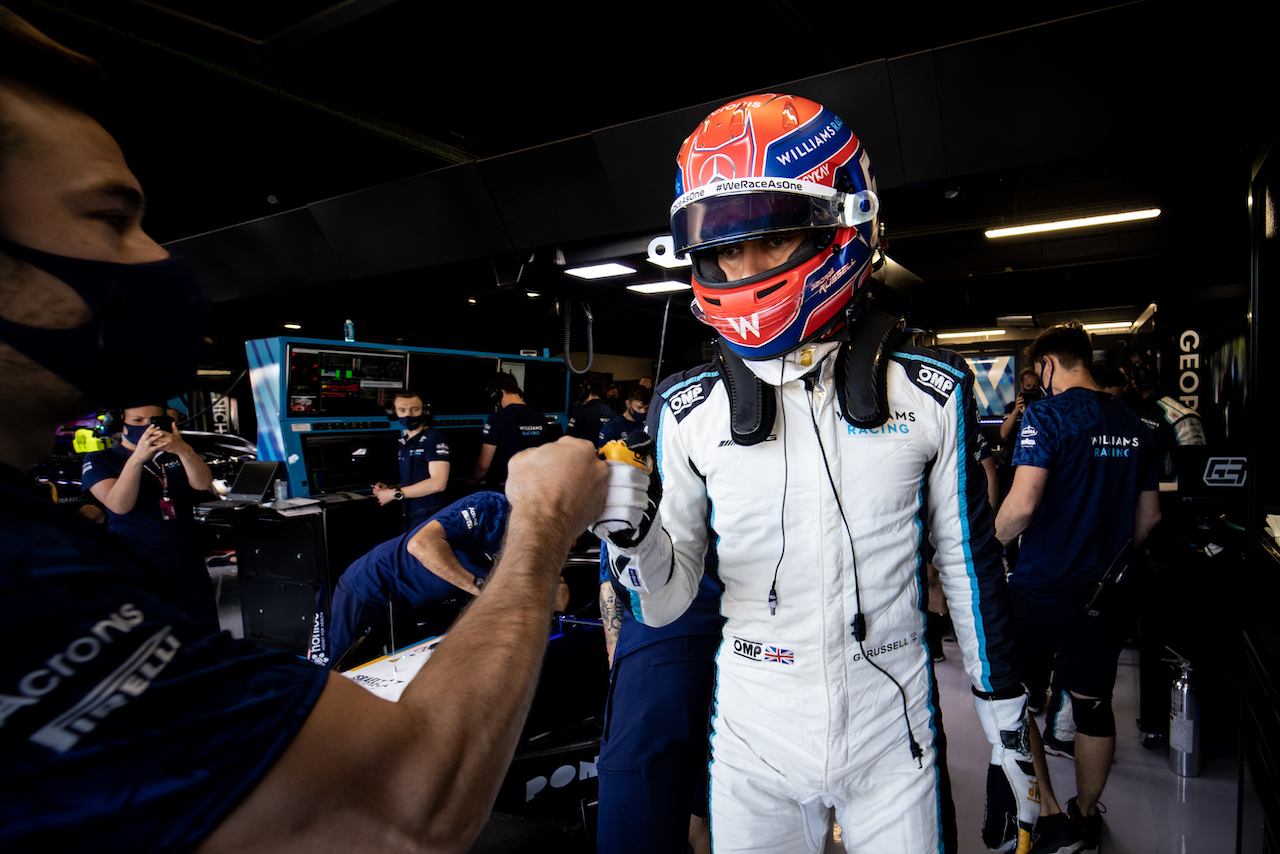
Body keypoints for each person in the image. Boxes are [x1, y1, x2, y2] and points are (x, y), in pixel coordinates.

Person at [0, 10, 607, 851]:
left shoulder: (36, 547)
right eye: (109, 220)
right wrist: (542, 522)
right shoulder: (19, 578)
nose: (154, 261)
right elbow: (403, 806)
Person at [590, 94, 1035, 854]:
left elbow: (967, 563)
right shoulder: (687, 411)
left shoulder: (932, 392)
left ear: (844, 222)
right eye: (725, 250)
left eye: (773, 238)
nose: (745, 267)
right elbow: (665, 606)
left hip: (893, 728)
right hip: (751, 736)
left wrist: (1006, 725)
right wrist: (632, 535)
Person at [994, 322, 1161, 854]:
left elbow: (1021, 506)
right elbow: (1150, 515)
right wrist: (1111, 558)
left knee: (1014, 703)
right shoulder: (1135, 423)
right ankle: (1085, 817)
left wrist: (981, 548)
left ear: (1047, 365)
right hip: (1105, 594)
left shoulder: (1046, 415)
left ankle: (1045, 812)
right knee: (1093, 706)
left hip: (1040, 590)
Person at [321, 490, 509, 667]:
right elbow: (421, 544)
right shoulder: (492, 506)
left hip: (411, 605)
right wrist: (480, 588)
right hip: (368, 588)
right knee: (345, 672)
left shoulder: (531, 543)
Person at [80, 404, 218, 624]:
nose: (147, 426)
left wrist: (184, 450)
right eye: (137, 420)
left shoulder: (174, 454)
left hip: (186, 555)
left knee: (202, 625)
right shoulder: (100, 459)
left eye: (154, 420)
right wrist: (137, 458)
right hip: (138, 557)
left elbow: (203, 483)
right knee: (154, 628)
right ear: (119, 424)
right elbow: (119, 505)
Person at [371, 391, 451, 531]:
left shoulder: (434, 439)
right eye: (402, 410)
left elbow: (439, 483)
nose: (409, 415)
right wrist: (392, 488)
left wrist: (394, 494)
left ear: (424, 411)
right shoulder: (404, 442)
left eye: (415, 409)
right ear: (393, 412)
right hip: (409, 515)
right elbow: (416, 479)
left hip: (430, 515)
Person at [467, 371, 547, 492]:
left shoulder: (498, 418)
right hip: (533, 488)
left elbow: (483, 465)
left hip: (505, 489)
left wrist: (470, 480)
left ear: (498, 393)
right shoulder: (540, 417)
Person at [566, 374, 617, 443]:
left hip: (586, 452)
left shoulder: (580, 412)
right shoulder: (613, 413)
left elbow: (569, 440)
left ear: (586, 390)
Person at [597, 383, 651, 448]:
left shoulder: (650, 424)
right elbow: (602, 453)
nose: (643, 411)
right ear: (628, 404)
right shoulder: (612, 426)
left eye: (646, 408)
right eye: (639, 408)